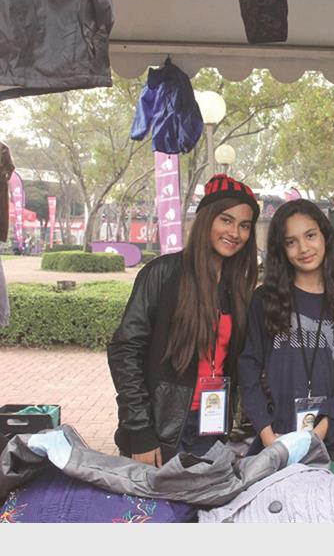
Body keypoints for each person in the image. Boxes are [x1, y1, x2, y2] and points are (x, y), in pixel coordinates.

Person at [107, 174, 259, 466]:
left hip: (211, 426)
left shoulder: (238, 287)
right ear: (206, 220)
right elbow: (125, 351)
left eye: (244, 225)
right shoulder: (162, 273)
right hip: (160, 427)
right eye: (226, 220)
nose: (235, 232)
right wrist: (140, 430)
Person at [238, 199, 334, 458]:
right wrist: (267, 434)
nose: (303, 248)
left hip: (331, 443)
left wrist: (316, 436)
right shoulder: (265, 300)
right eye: (291, 242)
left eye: (310, 236)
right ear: (281, 249)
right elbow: (248, 368)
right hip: (275, 440)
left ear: (325, 236)